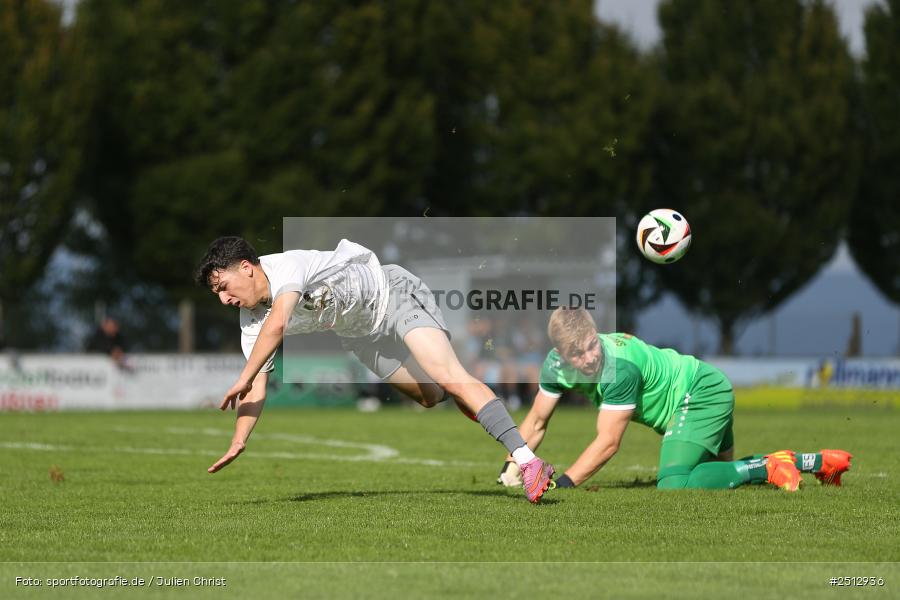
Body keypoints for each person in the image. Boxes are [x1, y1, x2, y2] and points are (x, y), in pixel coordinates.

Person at [194, 236, 554, 503]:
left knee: (450, 375)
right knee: (431, 396)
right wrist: (239, 439)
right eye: (217, 295)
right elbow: (255, 386)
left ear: (246, 267)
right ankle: (470, 399)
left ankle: (528, 462)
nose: (224, 300)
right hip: (360, 337)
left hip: (393, 295)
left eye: (223, 287)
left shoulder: (285, 267)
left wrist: (242, 376)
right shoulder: (249, 322)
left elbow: (278, 326)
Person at [497, 307, 852, 491]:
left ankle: (771, 467)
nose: (590, 357)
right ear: (560, 353)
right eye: (578, 353)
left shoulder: (619, 368)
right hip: (705, 385)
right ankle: (816, 461)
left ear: (596, 333)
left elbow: (608, 442)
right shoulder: (554, 367)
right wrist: (513, 463)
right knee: (721, 477)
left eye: (592, 344)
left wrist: (564, 484)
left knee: (675, 484)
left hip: (698, 394)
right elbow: (538, 420)